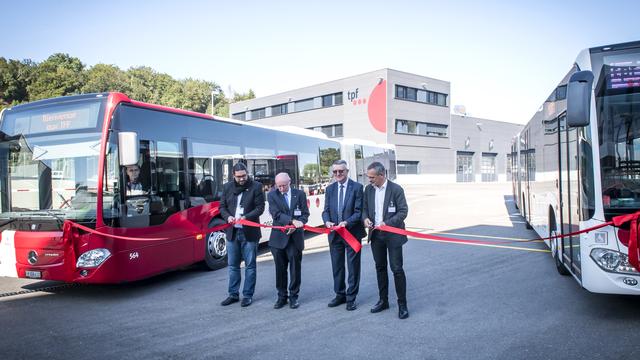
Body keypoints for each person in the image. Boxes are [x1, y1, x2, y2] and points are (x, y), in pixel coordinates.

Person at [362, 161, 410, 319]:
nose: (369, 180)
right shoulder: (368, 190)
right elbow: (364, 210)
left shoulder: (396, 189)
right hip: (376, 236)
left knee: (397, 269)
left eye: (372, 177)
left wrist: (386, 224)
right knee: (380, 268)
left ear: (382, 175)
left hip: (393, 235)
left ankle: (402, 304)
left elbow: (403, 211)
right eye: (368, 177)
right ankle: (383, 301)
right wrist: (366, 220)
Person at [218, 162, 265, 307]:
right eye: (239, 177)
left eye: (244, 175)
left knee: (250, 266)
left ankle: (248, 295)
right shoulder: (227, 187)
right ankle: (233, 294)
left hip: (249, 232)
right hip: (233, 232)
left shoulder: (256, 186)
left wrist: (246, 217)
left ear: (247, 173)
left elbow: (260, 208)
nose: (242, 179)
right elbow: (222, 207)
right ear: (233, 176)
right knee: (233, 265)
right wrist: (228, 218)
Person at [322, 159, 366, 311]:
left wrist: (346, 222)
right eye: (335, 171)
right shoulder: (330, 189)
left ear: (347, 171)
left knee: (353, 267)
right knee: (337, 267)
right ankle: (340, 295)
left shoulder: (357, 187)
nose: (338, 174)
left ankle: (351, 297)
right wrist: (327, 221)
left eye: (341, 171)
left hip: (351, 233)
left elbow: (359, 212)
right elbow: (325, 210)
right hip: (335, 234)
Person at [268, 172, 309, 309]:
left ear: (289, 182)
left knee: (295, 269)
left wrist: (299, 223)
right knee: (280, 270)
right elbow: (276, 214)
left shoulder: (300, 194)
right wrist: (292, 222)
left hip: (295, 238)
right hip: (278, 238)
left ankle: (293, 296)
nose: (281, 189)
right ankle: (281, 296)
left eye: (283, 186)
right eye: (278, 186)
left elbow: (305, 214)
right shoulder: (272, 195)